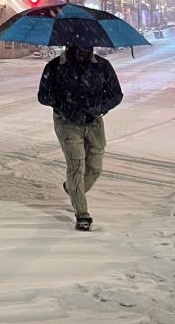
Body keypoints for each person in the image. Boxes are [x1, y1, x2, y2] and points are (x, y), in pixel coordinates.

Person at [37, 45, 124, 231]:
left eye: (87, 46)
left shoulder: (102, 66)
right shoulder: (55, 67)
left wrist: (100, 107)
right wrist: (63, 105)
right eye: (79, 46)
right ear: (70, 46)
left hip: (94, 121)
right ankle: (82, 214)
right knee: (76, 166)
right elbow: (43, 95)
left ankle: (73, 190)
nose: (83, 51)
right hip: (67, 122)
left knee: (95, 167)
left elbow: (116, 94)